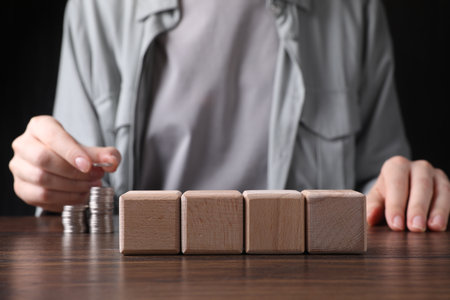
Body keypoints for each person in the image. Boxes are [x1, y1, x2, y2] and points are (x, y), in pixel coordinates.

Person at [9, 0, 449, 232]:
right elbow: (74, 203)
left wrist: (407, 186)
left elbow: (379, 187)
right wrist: (46, 175)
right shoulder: (95, 9)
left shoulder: (354, 9)